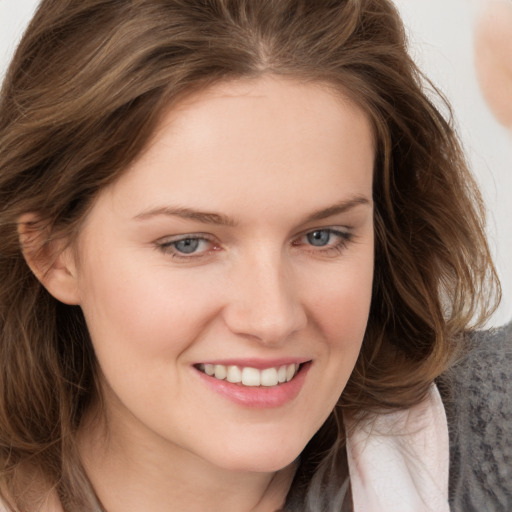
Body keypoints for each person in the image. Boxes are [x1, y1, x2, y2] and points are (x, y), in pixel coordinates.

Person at [0, 0, 509, 511]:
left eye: (322, 236)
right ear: (53, 254)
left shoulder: (488, 433)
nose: (272, 318)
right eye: (189, 244)